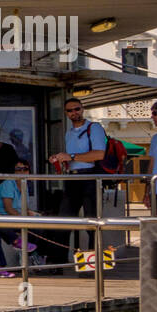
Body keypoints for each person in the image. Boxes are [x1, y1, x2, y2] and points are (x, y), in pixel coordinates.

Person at [48, 97, 106, 250]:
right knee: (64, 221)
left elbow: (99, 154)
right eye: (70, 110)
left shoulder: (94, 128)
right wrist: (59, 159)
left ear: (82, 109)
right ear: (66, 113)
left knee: (92, 222)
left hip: (90, 177)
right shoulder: (69, 133)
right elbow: (71, 158)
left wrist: (71, 156)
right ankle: (58, 263)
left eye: (77, 109)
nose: (74, 112)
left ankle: (94, 263)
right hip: (72, 177)